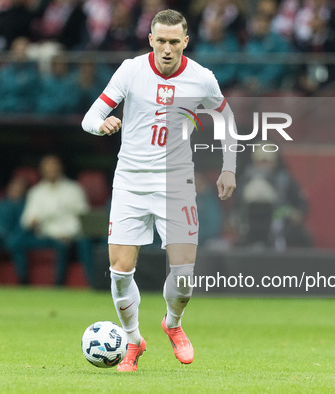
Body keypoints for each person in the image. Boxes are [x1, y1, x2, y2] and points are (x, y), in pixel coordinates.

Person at [81, 9, 237, 372]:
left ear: (185, 41)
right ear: (150, 40)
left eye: (174, 42)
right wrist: (101, 125)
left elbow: (226, 120)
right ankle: (133, 340)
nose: (167, 49)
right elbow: (90, 117)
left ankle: (173, 323)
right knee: (120, 273)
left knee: (184, 277)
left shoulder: (202, 78)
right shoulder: (131, 70)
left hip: (176, 184)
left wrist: (229, 167)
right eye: (160, 41)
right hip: (131, 182)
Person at [9, 155, 88, 285]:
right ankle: (23, 282)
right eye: (47, 168)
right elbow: (26, 220)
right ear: (42, 170)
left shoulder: (73, 189)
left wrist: (70, 233)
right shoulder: (36, 192)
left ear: (60, 168)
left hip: (67, 236)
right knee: (15, 242)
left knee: (63, 246)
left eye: (54, 167)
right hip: (44, 235)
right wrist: (32, 221)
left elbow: (83, 217)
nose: (51, 170)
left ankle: (58, 286)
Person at [237, 148, 311, 250]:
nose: (263, 165)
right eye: (259, 161)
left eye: (266, 161)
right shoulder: (245, 180)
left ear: (275, 162)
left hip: (280, 224)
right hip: (250, 226)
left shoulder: (284, 180)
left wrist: (297, 213)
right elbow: (236, 206)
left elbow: (301, 202)